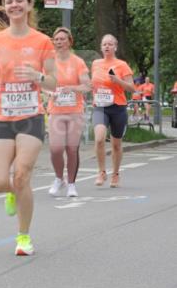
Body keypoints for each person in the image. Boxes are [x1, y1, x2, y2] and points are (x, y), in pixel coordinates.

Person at [0, 0, 57, 256]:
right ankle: (12, 191)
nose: (14, 5)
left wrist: (38, 77)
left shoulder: (42, 41)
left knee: (22, 174)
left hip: (31, 116)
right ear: (5, 6)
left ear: (29, 5)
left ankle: (23, 237)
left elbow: (54, 81)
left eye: (19, 1)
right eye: (9, 1)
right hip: (2, 117)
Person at [45, 27, 90, 198]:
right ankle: (59, 179)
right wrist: (51, 93)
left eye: (63, 39)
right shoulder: (49, 62)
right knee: (56, 149)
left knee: (72, 149)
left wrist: (71, 88)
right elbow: (43, 84)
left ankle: (72, 184)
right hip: (56, 110)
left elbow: (87, 85)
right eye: (56, 39)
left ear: (70, 41)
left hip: (74, 111)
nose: (59, 42)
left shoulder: (78, 62)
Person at [90, 34, 134, 188]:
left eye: (110, 44)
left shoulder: (122, 65)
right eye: (104, 44)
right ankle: (101, 172)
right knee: (99, 138)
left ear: (115, 47)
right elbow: (93, 83)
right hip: (100, 107)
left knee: (116, 144)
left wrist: (117, 80)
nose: (107, 47)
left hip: (118, 107)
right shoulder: (95, 63)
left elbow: (131, 87)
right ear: (101, 47)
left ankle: (115, 174)